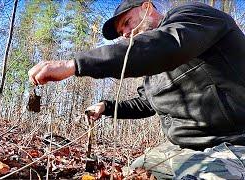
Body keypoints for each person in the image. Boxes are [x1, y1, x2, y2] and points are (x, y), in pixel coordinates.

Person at [29, 0, 245, 178]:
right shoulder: (153, 69)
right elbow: (146, 103)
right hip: (186, 148)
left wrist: (74, 64)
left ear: (147, 8)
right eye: (121, 31)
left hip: (235, 143)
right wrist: (107, 106)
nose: (124, 33)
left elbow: (167, 45)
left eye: (126, 22)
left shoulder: (192, 17)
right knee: (135, 171)